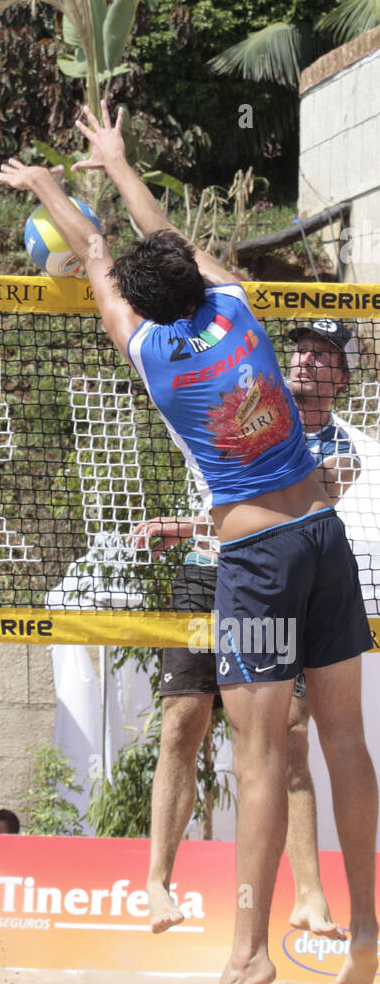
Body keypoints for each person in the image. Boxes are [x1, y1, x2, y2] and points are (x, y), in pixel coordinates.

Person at [0, 102, 377, 984]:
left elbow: (95, 256)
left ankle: (247, 954)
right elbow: (166, 234)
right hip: (325, 539)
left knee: (253, 760)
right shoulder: (239, 309)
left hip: (254, 557)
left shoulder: (157, 355)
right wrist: (117, 162)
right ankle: (366, 924)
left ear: (145, 301)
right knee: (339, 744)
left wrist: (47, 186)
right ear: (200, 282)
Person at [133, 319, 361, 939]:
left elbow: (269, 520)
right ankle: (157, 881)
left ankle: (309, 895)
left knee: (287, 736)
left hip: (267, 583)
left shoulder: (341, 451)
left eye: (324, 355)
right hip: (207, 578)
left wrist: (176, 526)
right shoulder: (247, 391)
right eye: (302, 349)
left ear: (342, 379)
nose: (308, 360)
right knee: (183, 720)